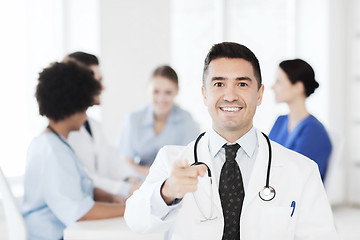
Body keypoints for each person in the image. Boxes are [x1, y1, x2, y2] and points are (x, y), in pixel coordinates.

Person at [124, 42, 338, 240]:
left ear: (260, 94)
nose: (230, 95)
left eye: (242, 84)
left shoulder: (302, 170)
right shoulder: (171, 160)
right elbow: (135, 221)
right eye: (219, 83)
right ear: (204, 94)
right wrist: (167, 191)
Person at [22, 62, 126, 240]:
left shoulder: (51, 143)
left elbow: (79, 188)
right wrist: (130, 209)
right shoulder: (54, 152)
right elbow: (81, 212)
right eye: (85, 107)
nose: (86, 115)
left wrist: (111, 198)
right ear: (72, 108)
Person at [65, 51, 141, 198]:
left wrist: (131, 179)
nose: (103, 87)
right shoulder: (64, 132)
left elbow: (113, 160)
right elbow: (84, 178)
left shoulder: (94, 125)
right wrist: (126, 189)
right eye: (97, 81)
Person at [117, 65, 200, 178]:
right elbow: (125, 163)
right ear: (147, 89)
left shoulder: (186, 120)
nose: (161, 98)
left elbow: (192, 161)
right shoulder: (133, 119)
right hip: (139, 183)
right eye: (156, 92)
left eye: (168, 92)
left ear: (176, 92)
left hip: (175, 183)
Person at [269, 59, 332, 180]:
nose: (272, 87)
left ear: (298, 87)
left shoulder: (313, 131)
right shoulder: (280, 121)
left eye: (279, 82)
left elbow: (298, 176)